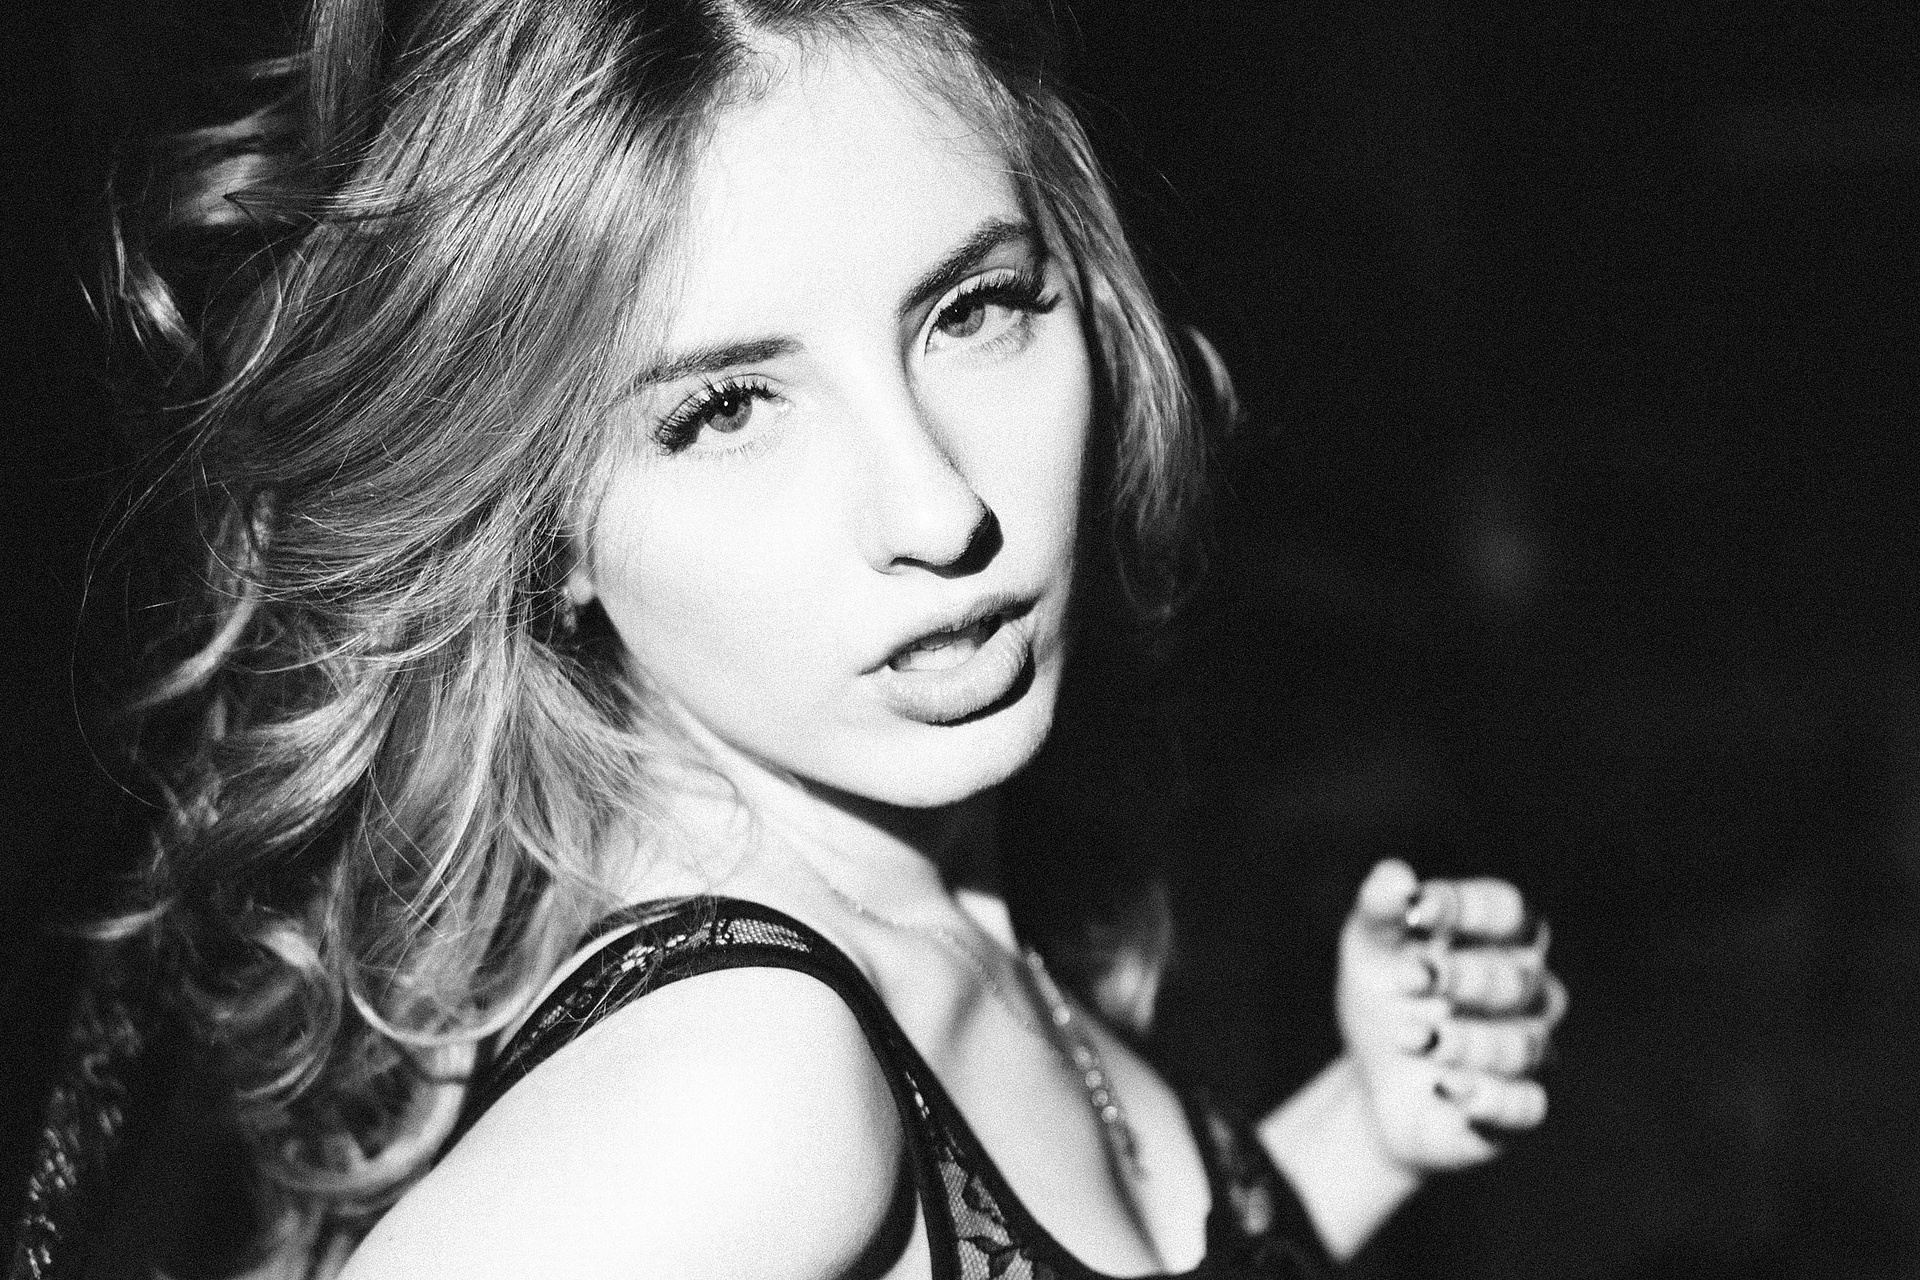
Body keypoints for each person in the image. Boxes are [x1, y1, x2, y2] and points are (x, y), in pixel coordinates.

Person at [16, 1, 1566, 1276]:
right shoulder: (744, 1083)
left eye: (974, 309)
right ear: (543, 529)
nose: (939, 507)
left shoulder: (909, 896)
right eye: (726, 410)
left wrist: (1364, 1131)